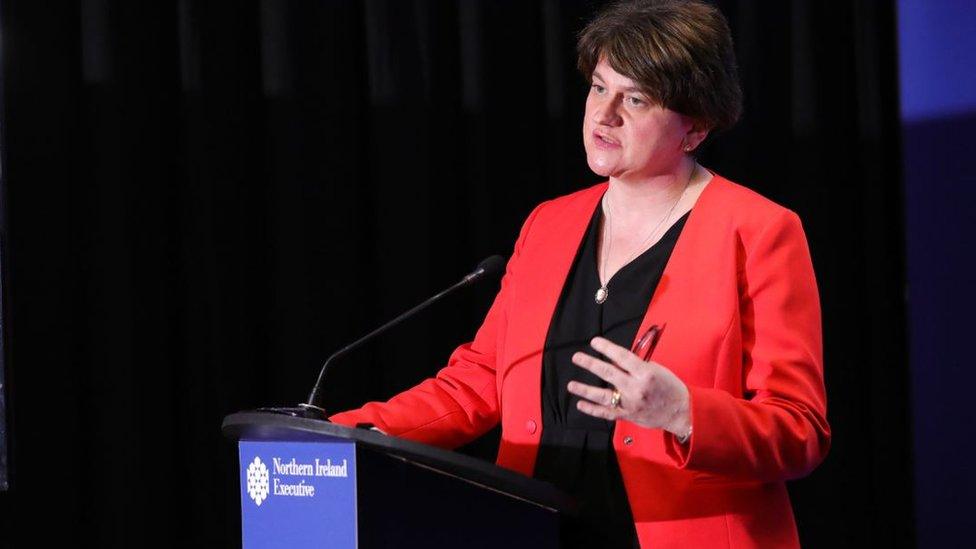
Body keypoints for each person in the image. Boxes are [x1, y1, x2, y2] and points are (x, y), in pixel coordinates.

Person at [330, 1, 830, 546]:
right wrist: (344, 435)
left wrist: (685, 412)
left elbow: (799, 429)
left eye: (635, 98)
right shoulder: (550, 224)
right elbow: (480, 381)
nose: (604, 114)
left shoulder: (758, 231)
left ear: (696, 126)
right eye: (598, 88)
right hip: (537, 529)